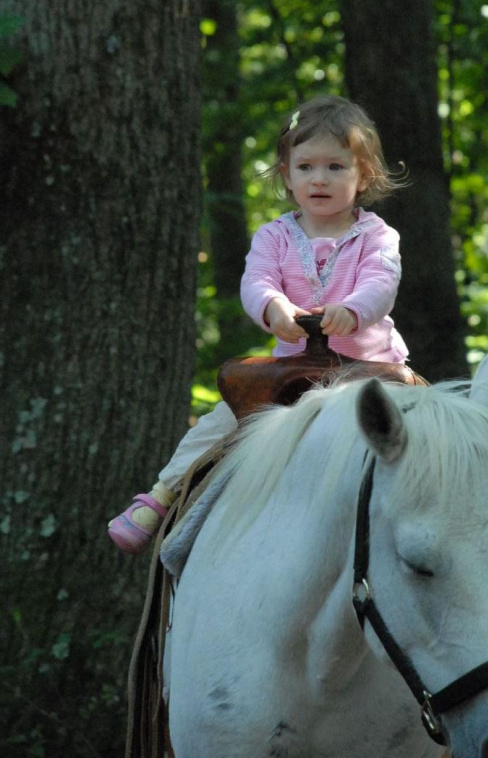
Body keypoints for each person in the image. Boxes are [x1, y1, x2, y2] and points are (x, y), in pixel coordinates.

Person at [108, 94, 409, 555]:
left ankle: (482, 534)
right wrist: (273, 309)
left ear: (362, 175)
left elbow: (381, 281)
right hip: (290, 370)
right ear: (287, 176)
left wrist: (353, 309)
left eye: (335, 167)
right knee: (221, 419)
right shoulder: (275, 236)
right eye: (306, 167)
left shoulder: (377, 236)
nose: (319, 179)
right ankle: (163, 493)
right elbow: (258, 280)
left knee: (436, 429)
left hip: (371, 366)